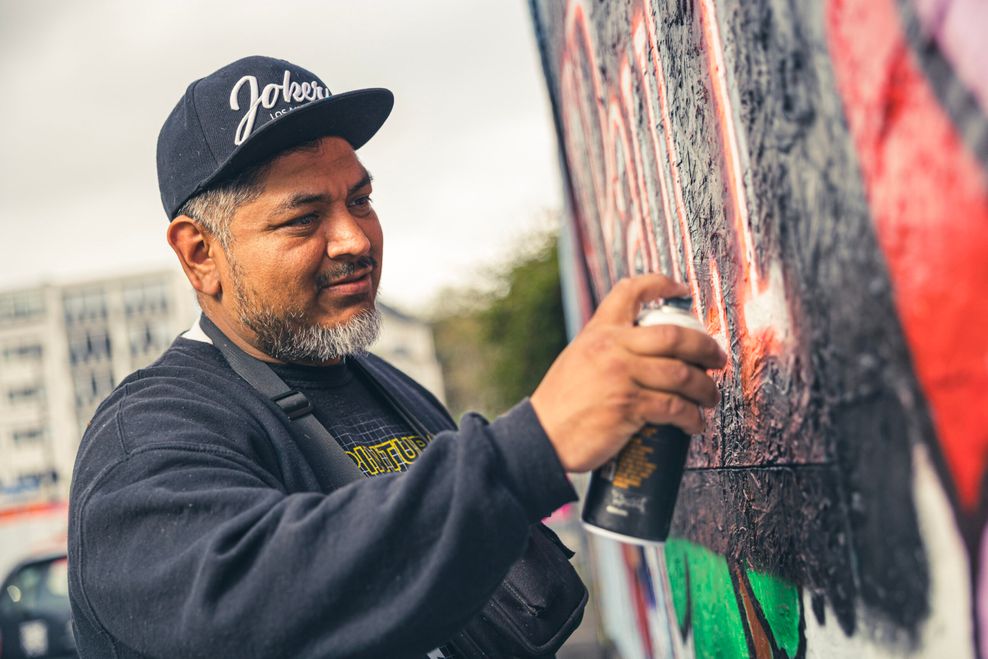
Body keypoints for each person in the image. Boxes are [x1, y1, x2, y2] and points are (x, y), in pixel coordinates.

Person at [67, 55, 726, 658]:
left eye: (361, 199)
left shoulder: (386, 387)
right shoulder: (148, 437)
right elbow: (255, 606)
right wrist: (535, 444)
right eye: (303, 218)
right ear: (199, 253)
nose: (354, 237)